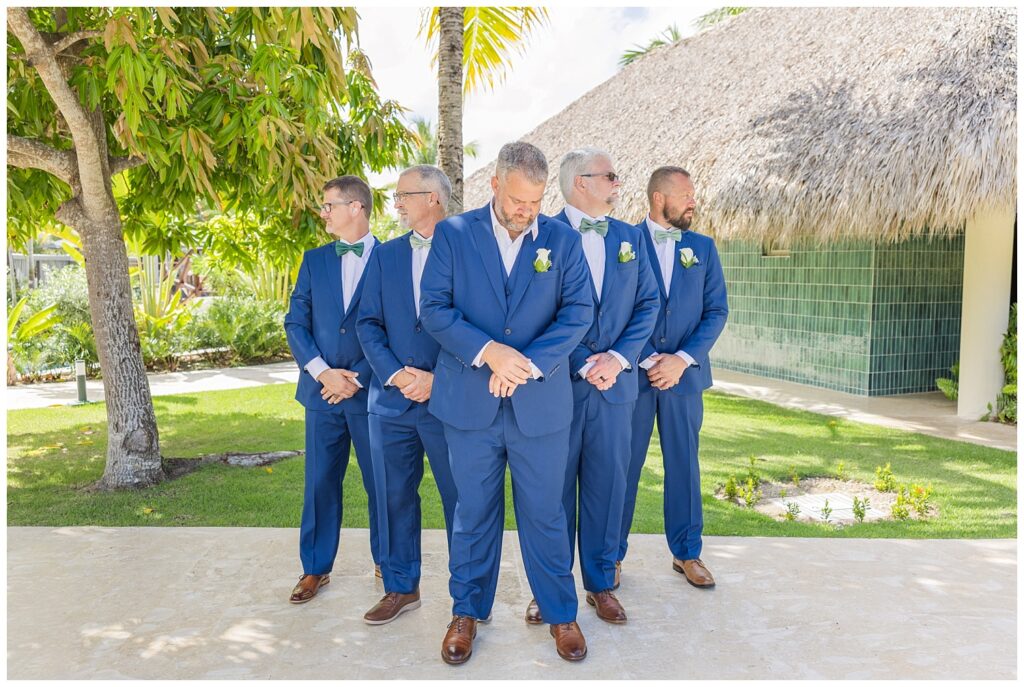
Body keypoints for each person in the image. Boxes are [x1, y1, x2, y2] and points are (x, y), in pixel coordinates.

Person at [419, 141, 594, 664]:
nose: (526, 212)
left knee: (545, 513)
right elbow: (433, 308)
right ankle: (466, 611)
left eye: (535, 202)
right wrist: (490, 352)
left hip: (539, 405)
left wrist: (525, 364)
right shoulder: (453, 235)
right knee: (473, 512)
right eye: (518, 200)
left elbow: (578, 312)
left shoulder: (563, 241)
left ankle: (561, 614)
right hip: (468, 405)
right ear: (495, 184)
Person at [523, 148, 657, 625]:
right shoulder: (542, 236)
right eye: (610, 176)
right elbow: (539, 313)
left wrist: (618, 360)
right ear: (581, 182)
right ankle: (549, 588)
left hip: (616, 388)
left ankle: (601, 584)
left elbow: (649, 304)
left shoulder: (630, 238)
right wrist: (583, 362)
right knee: (552, 492)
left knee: (608, 486)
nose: (619, 184)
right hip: (558, 387)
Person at [356, 165, 459, 624]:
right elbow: (368, 323)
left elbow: (481, 324)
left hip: (452, 401)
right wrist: (397, 375)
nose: (394, 203)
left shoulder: (469, 249)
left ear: (433, 197)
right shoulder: (386, 255)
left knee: (463, 498)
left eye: (403, 195)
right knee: (394, 494)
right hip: (391, 402)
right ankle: (401, 587)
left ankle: (469, 597)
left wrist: (439, 379)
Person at [620, 166, 728, 589]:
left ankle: (687, 553)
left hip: (684, 379)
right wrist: (648, 359)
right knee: (622, 467)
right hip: (633, 378)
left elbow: (716, 310)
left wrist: (681, 360)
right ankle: (610, 555)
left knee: (684, 464)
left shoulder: (702, 247)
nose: (693, 202)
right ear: (658, 198)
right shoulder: (623, 243)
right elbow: (613, 310)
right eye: (685, 195)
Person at [284, 175, 382, 604]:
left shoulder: (391, 259)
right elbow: (295, 324)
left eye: (329, 206)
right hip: (320, 394)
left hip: (372, 393)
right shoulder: (314, 260)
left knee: (382, 482)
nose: (323, 213)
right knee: (321, 482)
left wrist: (355, 376)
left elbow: (396, 328)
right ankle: (315, 569)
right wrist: (324, 373)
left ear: (355, 206)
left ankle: (390, 561)